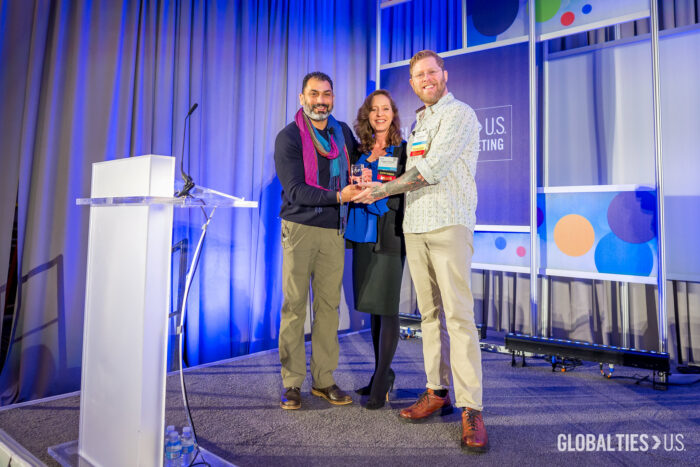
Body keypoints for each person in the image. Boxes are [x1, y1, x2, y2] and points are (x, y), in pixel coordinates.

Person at [352, 50, 488, 452]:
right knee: (429, 317)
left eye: (431, 72)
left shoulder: (459, 114)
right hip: (415, 226)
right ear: (412, 84)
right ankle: (436, 391)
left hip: (448, 223)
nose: (426, 79)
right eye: (418, 76)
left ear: (443, 75)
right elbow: (410, 170)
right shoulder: (419, 121)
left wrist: (379, 189)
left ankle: (472, 408)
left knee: (459, 319)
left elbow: (430, 170)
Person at [274, 71, 361, 410]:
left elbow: (359, 167)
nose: (320, 101)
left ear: (333, 99)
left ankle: (323, 380)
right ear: (302, 98)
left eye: (326, 94)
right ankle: (292, 383)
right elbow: (295, 190)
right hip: (299, 229)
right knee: (295, 308)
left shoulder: (343, 134)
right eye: (314, 94)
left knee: (328, 309)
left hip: (334, 231)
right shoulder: (290, 137)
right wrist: (340, 196)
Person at [345, 90, 407, 410]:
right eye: (374, 109)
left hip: (389, 236)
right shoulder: (360, 151)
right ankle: (381, 372)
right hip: (362, 236)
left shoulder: (403, 151)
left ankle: (382, 380)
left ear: (393, 113)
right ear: (366, 115)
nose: (380, 114)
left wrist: (378, 194)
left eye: (385, 109)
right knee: (372, 307)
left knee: (387, 308)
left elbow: (404, 198)